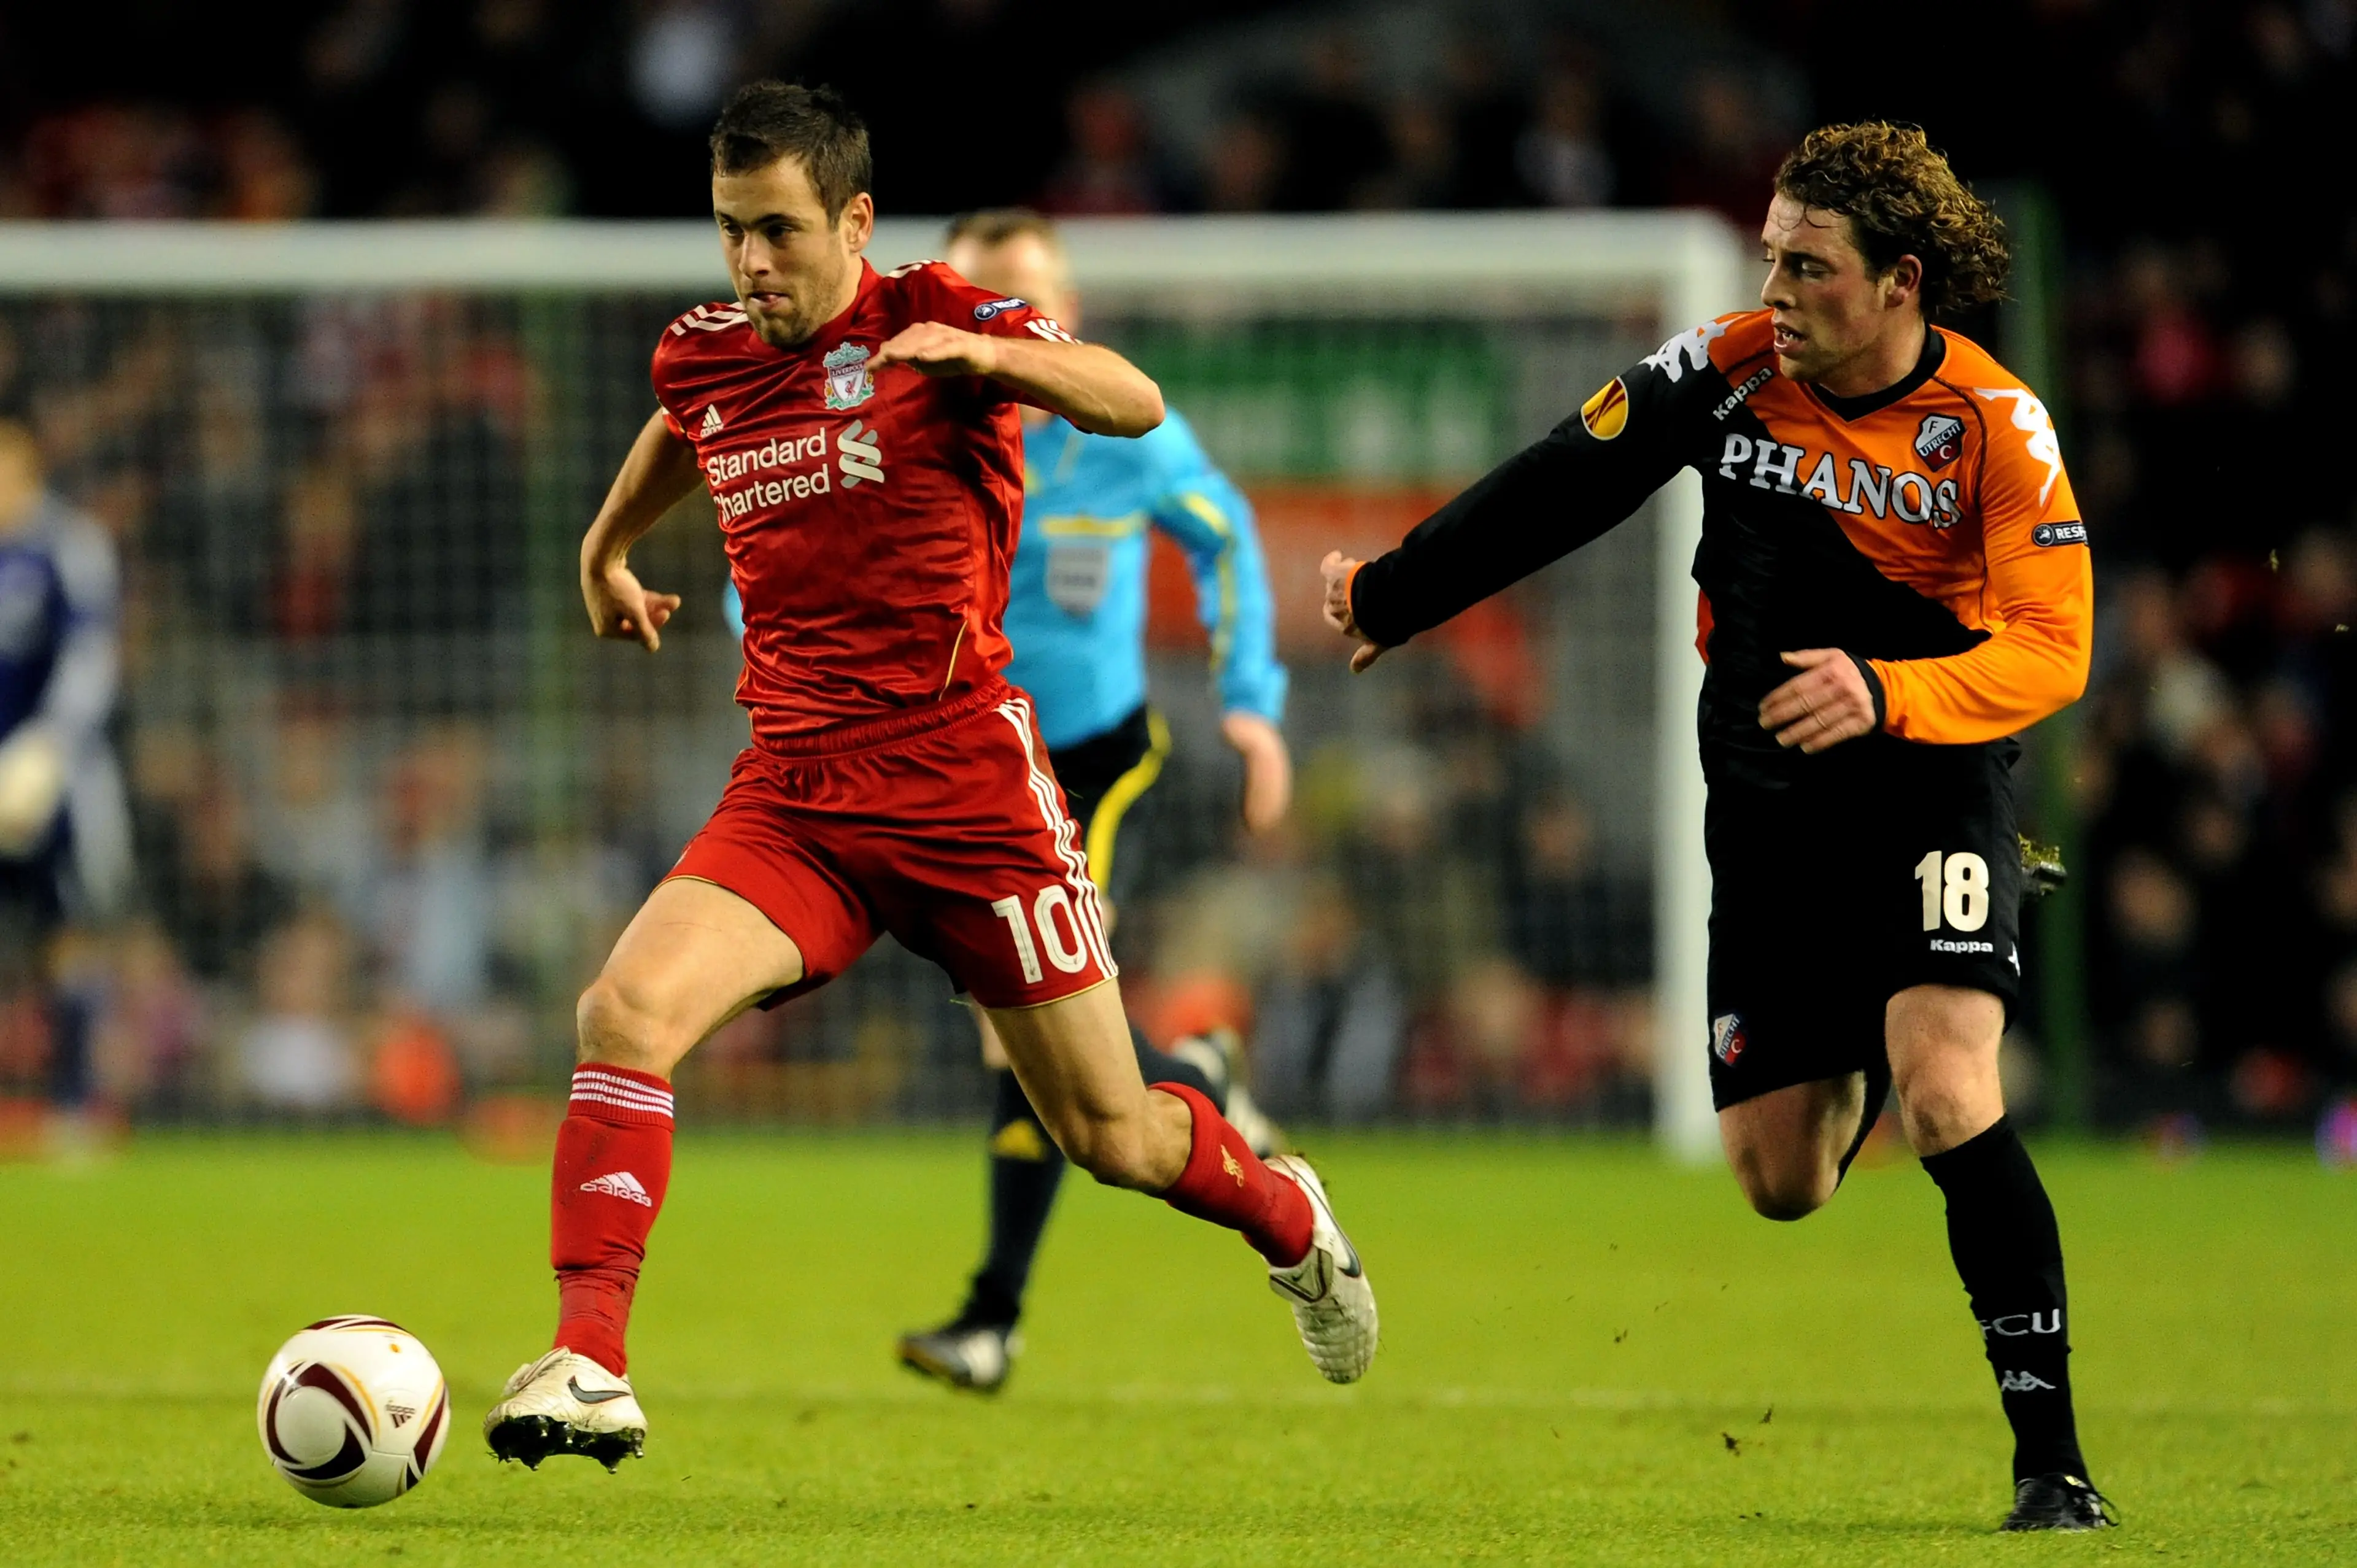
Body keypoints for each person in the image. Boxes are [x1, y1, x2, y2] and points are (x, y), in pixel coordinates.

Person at [482, 83, 1377, 1473]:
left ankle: (1287, 1220)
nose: (751, 263)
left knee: (1112, 1135)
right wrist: (602, 553)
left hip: (970, 793)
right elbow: (682, 424)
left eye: (777, 230)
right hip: (795, 795)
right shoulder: (706, 351)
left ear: (852, 219)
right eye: (730, 232)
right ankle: (589, 1358)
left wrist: (994, 359)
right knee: (623, 1010)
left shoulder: (936, 317)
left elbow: (1133, 400)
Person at [1320, 123, 2110, 1533]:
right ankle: (1870, 1026)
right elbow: (1565, 476)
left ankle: (2050, 1466)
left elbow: (2053, 651)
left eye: (1806, 266)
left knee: (1945, 1092)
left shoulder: (1992, 430)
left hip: (1930, 780)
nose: (1776, 288)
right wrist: (1393, 596)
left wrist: (1883, 687)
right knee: (1779, 1182)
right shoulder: (1727, 368)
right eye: (1769, 257)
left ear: (1895, 282)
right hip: (1764, 811)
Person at [889, 207, 1291, 1393]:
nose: (1012, 323)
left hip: (1088, 764)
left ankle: (990, 1317)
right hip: (950, 766)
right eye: (985, 296)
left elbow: (1227, 539)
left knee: (1024, 1028)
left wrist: (1252, 705)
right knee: (1034, 1039)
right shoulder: (902, 425)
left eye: (1033, 299)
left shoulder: (1117, 434)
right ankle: (1206, 1075)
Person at [0, 422, 130, 1129]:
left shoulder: (69, 545)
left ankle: (75, 1102)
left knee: (69, 929)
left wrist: (45, 749)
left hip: (50, 777)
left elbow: (92, 653)